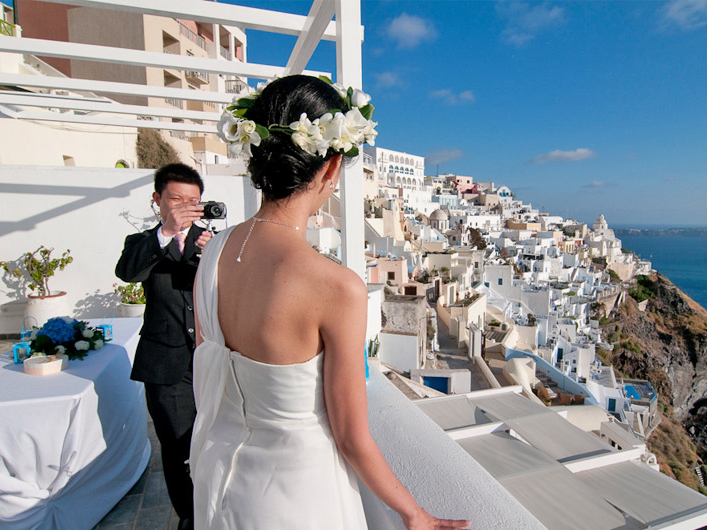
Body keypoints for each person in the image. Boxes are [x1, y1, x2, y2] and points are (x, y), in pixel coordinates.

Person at [190, 75, 469, 529]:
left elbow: (208, 360)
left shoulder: (216, 253)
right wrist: (414, 513)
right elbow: (351, 436)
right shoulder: (336, 287)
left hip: (221, 483)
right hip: (298, 498)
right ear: (332, 167)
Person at [116, 163, 212, 530]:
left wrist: (213, 255)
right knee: (176, 448)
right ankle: (189, 517)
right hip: (166, 363)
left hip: (211, 359)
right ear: (158, 200)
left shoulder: (213, 240)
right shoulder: (141, 243)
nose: (186, 206)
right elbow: (128, 272)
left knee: (215, 438)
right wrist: (168, 232)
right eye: (177, 199)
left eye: (193, 200)